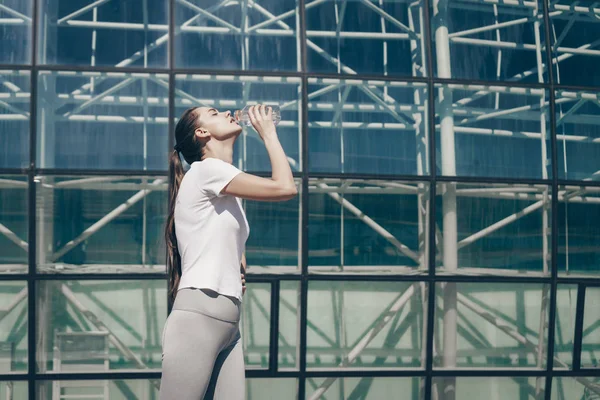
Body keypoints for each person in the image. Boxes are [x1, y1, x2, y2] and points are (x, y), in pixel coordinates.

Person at [160, 105, 297, 399]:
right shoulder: (208, 170)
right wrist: (269, 133)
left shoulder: (224, 187)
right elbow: (285, 187)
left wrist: (237, 270)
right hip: (200, 316)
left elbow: (225, 243)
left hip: (228, 323)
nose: (225, 111)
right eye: (213, 112)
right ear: (202, 132)